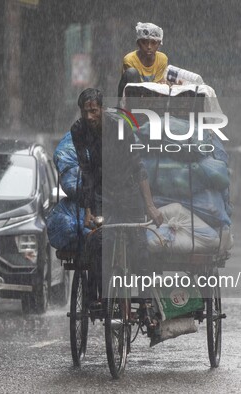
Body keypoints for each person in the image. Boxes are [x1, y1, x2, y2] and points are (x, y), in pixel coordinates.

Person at [69, 88, 163, 308]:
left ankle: (147, 301)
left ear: (102, 109)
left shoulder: (119, 126)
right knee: (98, 242)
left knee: (139, 247)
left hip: (128, 191)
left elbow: (137, 165)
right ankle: (97, 297)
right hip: (103, 192)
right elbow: (86, 169)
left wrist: (149, 205)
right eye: (85, 112)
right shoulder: (78, 130)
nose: (90, 116)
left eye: (94, 111)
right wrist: (88, 208)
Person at [117, 22, 168, 97]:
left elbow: (158, 87)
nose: (149, 47)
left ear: (159, 44)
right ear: (138, 43)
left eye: (153, 43)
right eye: (144, 42)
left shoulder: (162, 59)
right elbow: (133, 88)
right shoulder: (129, 59)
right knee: (131, 72)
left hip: (151, 98)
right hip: (132, 98)